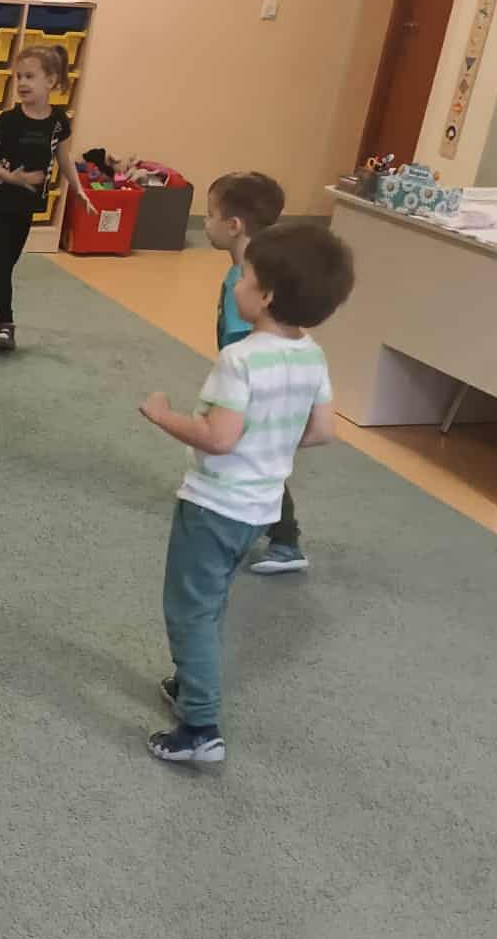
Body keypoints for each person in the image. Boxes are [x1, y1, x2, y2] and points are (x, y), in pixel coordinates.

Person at [137, 224, 355, 764]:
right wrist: (270, 445)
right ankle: (192, 682)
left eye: (246, 276)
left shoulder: (240, 359)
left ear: (267, 295)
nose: (237, 283)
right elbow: (323, 430)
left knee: (189, 610)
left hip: (214, 505)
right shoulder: (312, 355)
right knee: (211, 600)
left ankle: (200, 726)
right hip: (260, 508)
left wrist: (162, 415)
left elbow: (218, 437)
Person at [202, 171, 310, 575]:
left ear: (233, 226)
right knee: (251, 463)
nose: (204, 223)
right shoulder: (253, 274)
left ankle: (284, 540)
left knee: (257, 465)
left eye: (209, 215)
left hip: (253, 391)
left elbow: (248, 345)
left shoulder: (246, 284)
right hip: (256, 387)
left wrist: (230, 398)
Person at [0, 45, 91, 352]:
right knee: (4, 263)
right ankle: (6, 324)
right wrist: (10, 177)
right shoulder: (9, 120)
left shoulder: (58, 121)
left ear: (51, 80)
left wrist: (79, 189)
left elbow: (64, 158)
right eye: (19, 76)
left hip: (28, 202)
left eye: (29, 76)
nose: (22, 82)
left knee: (7, 260)